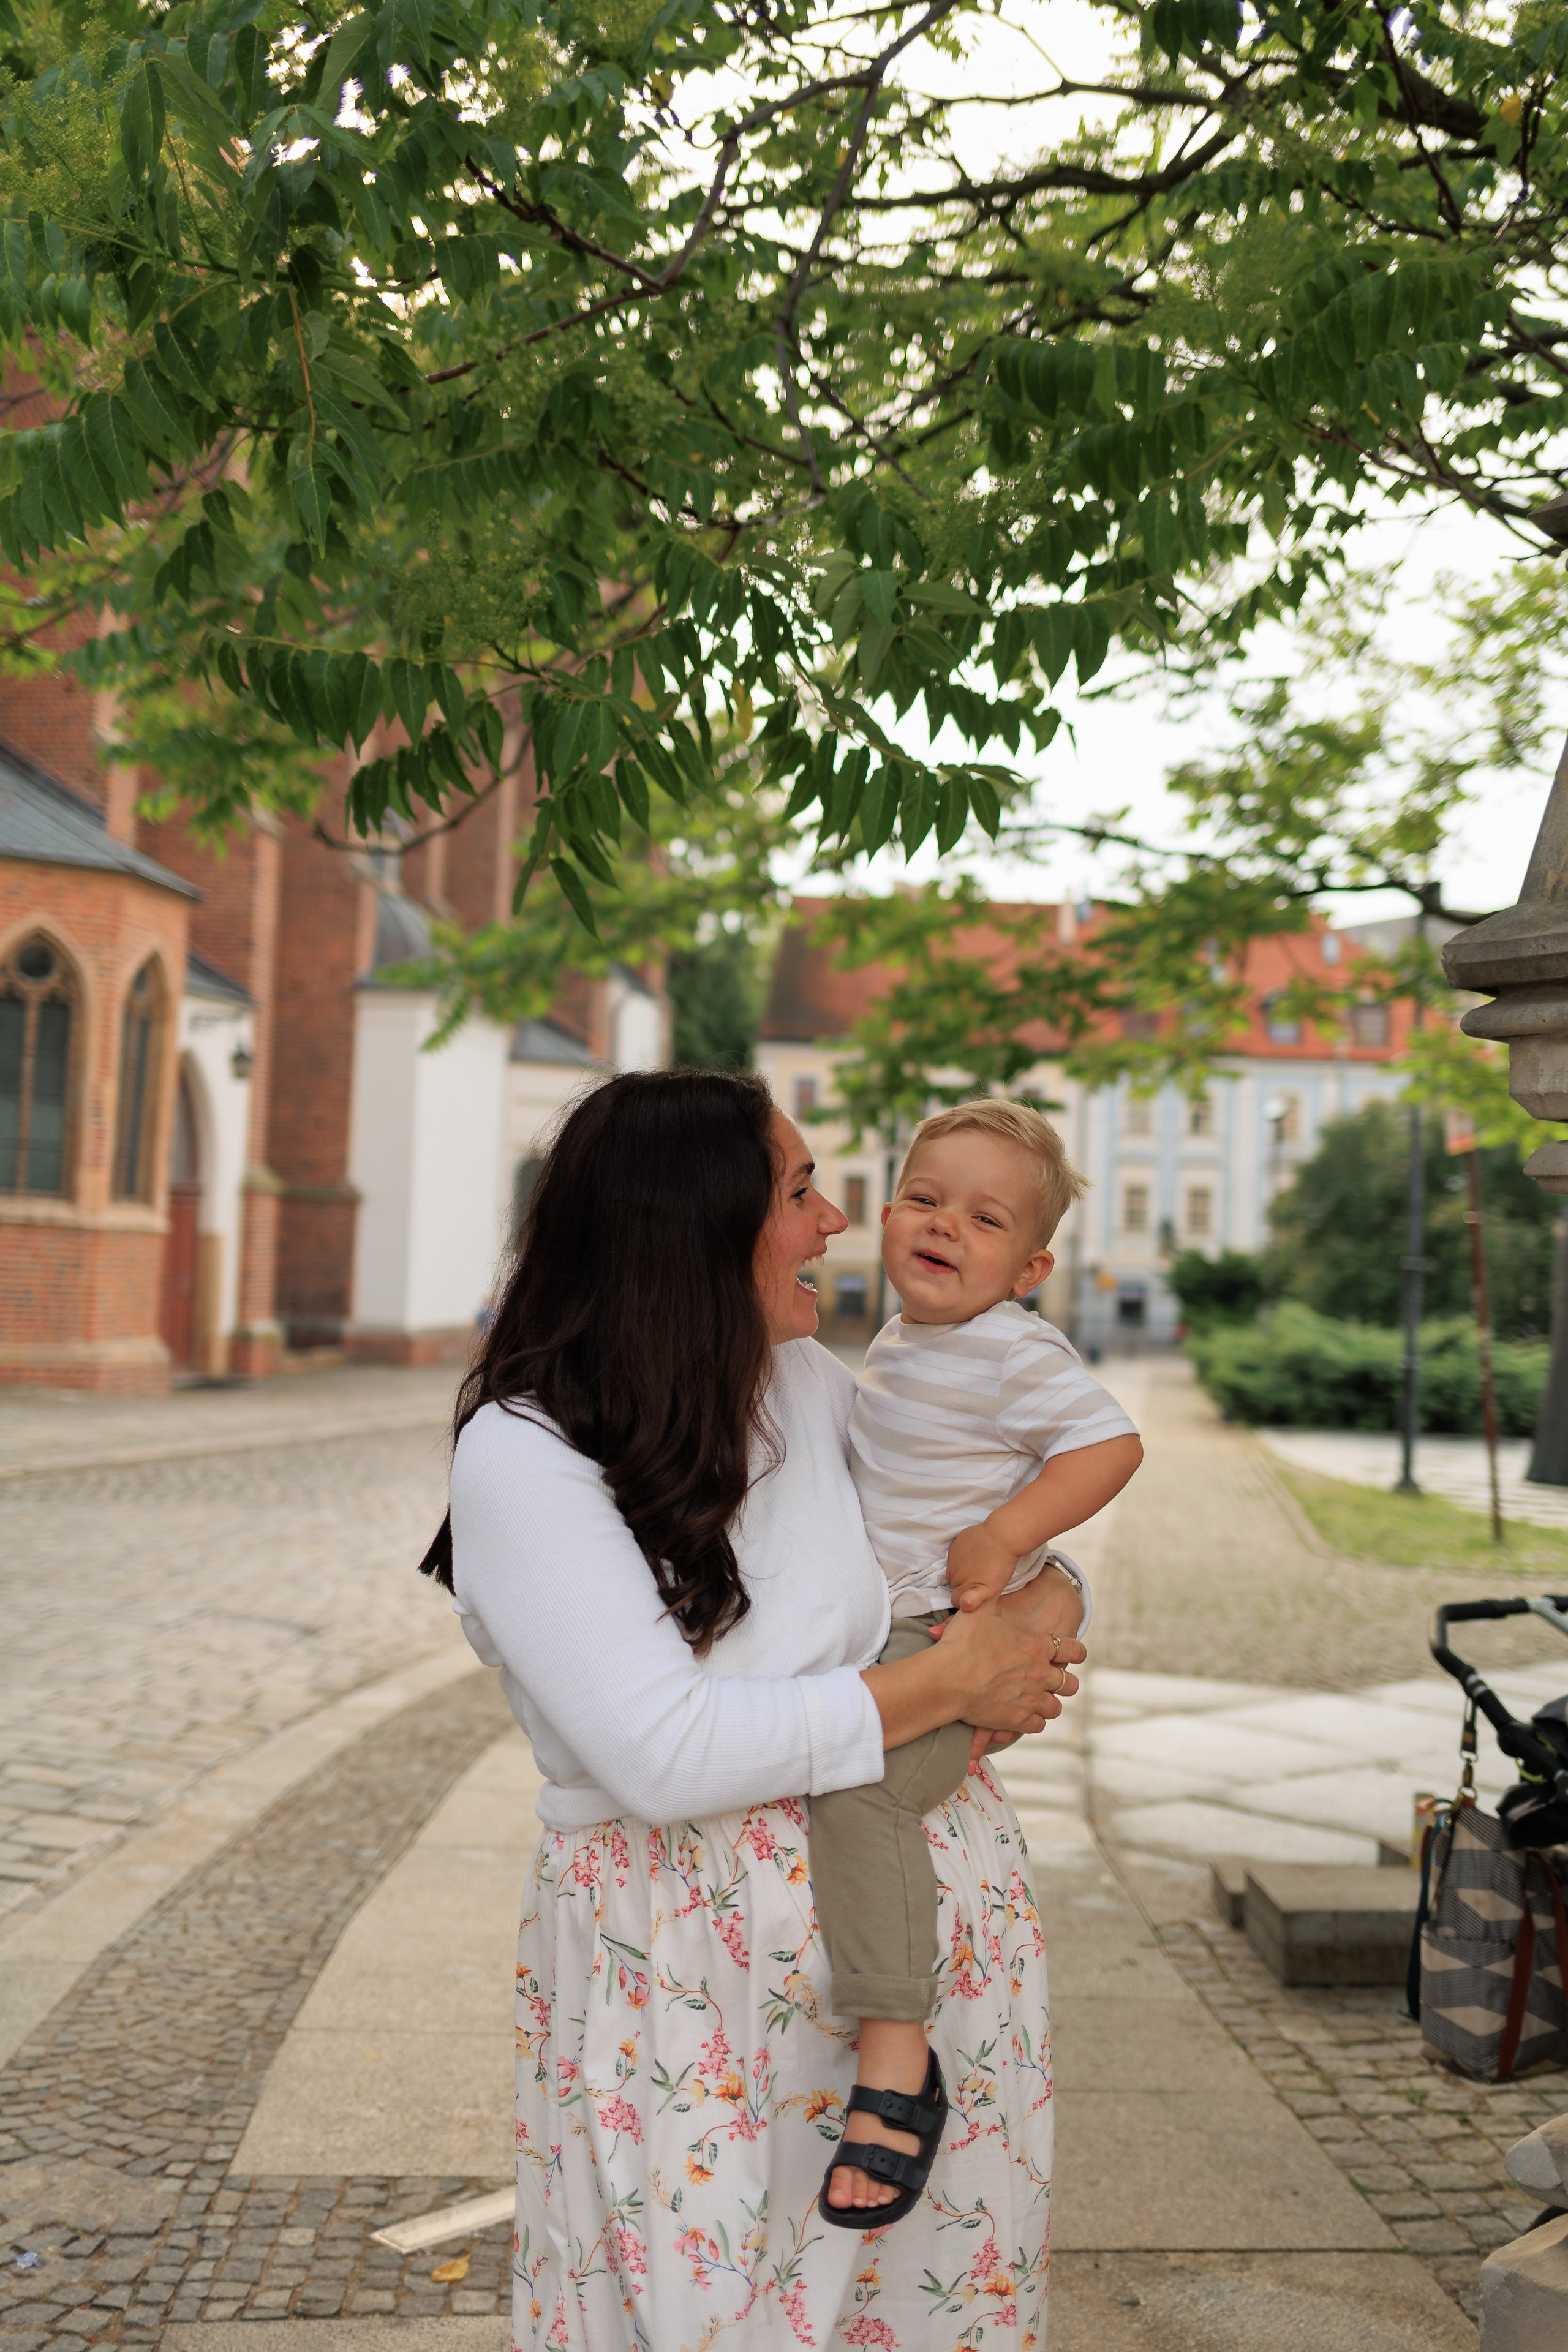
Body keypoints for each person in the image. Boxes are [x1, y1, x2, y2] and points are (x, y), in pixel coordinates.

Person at [420, 1069, 1085, 2349]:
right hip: (682, 1964)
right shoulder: (527, 1447)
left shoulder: (819, 1390)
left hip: (916, 1934)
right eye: (795, 1190)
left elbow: (976, 1534)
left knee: (924, 2308)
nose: (838, 1220)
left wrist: (1049, 1596)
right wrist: (945, 1680)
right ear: (695, 1227)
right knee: (708, 2313)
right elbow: (661, 1755)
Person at [812, 1100, 1142, 2220]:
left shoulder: (1010, 1348)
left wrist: (1010, 1541)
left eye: (985, 1218)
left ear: (1032, 1266)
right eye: (924, 1198)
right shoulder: (903, 1338)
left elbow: (1111, 1442)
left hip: (938, 1634)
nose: (944, 1225)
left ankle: (897, 2053)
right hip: (889, 1626)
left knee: (862, 1800)